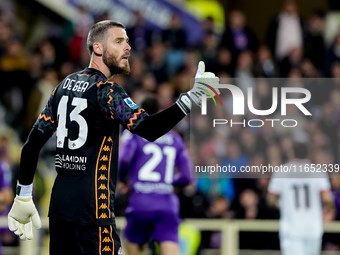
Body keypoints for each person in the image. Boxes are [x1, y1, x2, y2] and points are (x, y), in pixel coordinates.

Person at [6, 20, 219, 255]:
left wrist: (23, 195)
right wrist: (191, 98)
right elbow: (148, 129)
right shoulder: (106, 92)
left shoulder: (63, 86)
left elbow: (32, 144)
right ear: (98, 48)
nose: (127, 47)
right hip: (94, 210)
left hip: (60, 209)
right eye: (119, 41)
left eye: (128, 41)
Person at [118, 95, 191, 255]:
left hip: (140, 203)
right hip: (166, 204)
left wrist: (123, 180)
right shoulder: (175, 139)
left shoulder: (134, 134)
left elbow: (123, 160)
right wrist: (167, 183)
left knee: (133, 250)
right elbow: (187, 176)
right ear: (160, 111)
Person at [267, 142, 334, 255]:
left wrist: (282, 204)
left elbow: (271, 199)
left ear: (292, 153)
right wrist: (328, 214)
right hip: (313, 229)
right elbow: (328, 200)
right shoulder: (318, 171)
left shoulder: (282, 172)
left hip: (292, 229)